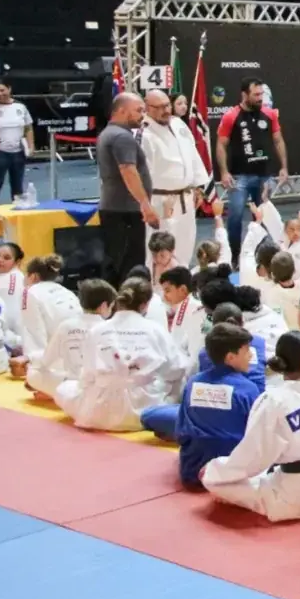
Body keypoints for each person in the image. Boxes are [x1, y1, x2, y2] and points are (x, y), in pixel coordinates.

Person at [201, 331, 300, 519]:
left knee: (216, 480)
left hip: (296, 497)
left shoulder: (273, 399)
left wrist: (215, 470)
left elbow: (252, 458)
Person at [54, 277, 189, 430]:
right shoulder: (155, 329)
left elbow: (87, 376)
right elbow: (176, 369)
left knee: (64, 388)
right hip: (144, 410)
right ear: (145, 305)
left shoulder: (98, 329)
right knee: (180, 380)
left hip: (99, 411)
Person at [153, 322, 261, 490]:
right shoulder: (249, 389)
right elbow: (256, 437)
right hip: (233, 475)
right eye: (246, 351)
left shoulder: (193, 382)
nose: (250, 356)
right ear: (231, 357)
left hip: (192, 470)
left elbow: (181, 430)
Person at [216, 79, 288, 267]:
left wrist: (284, 166)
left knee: (264, 216)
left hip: (264, 174)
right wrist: (224, 172)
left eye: (261, 95)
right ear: (244, 95)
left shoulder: (270, 114)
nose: (260, 98)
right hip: (239, 176)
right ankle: (235, 256)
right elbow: (221, 145)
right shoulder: (231, 116)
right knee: (236, 216)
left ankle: (263, 257)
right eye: (256, 95)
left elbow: (278, 140)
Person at [97, 93, 160, 287]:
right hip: (125, 212)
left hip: (116, 208)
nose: (143, 114)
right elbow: (128, 171)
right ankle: (126, 308)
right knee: (128, 267)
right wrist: (145, 205)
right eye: (139, 110)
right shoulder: (121, 137)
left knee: (115, 263)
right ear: (122, 110)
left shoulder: (109, 133)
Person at [139, 88, 209, 263]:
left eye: (167, 105)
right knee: (159, 250)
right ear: (147, 107)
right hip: (160, 200)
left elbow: (192, 155)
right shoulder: (144, 133)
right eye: (160, 107)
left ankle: (181, 282)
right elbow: (140, 174)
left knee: (185, 245)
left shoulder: (179, 124)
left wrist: (198, 186)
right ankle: (158, 288)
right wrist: (146, 205)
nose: (166, 110)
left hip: (186, 196)